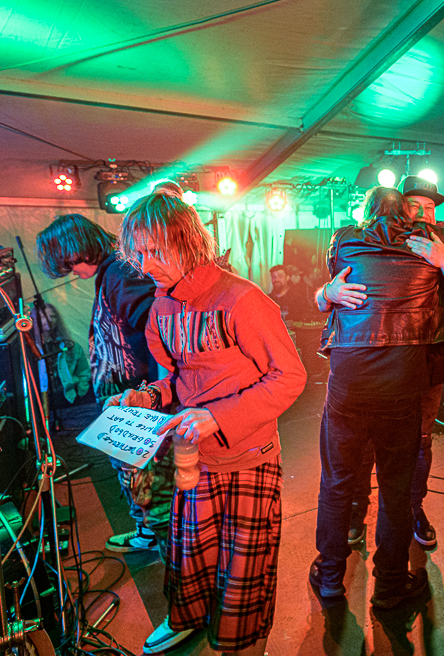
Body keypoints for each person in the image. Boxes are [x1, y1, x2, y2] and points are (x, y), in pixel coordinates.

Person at [107, 191, 306, 656]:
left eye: (155, 251)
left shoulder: (243, 300)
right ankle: (186, 619)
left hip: (249, 458)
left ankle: (242, 642)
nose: (146, 265)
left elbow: (290, 376)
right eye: (138, 253)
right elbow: (179, 378)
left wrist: (217, 416)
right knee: (189, 554)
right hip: (194, 458)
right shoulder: (161, 307)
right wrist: (148, 395)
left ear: (188, 242)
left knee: (243, 570)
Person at [311, 186, 444, 607]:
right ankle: (388, 583)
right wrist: (329, 293)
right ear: (403, 210)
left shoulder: (347, 240)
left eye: (429, 208)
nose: (423, 213)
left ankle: (331, 576)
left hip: (363, 382)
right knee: (395, 487)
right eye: (414, 206)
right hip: (402, 382)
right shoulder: (429, 245)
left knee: (339, 482)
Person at [36, 214, 172, 558]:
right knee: (138, 477)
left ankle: (167, 554)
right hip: (130, 395)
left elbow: (156, 325)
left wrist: (154, 391)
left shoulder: (119, 272)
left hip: (133, 397)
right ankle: (150, 536)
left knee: (144, 482)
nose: (71, 272)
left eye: (68, 263)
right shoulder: (115, 271)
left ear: (76, 249)